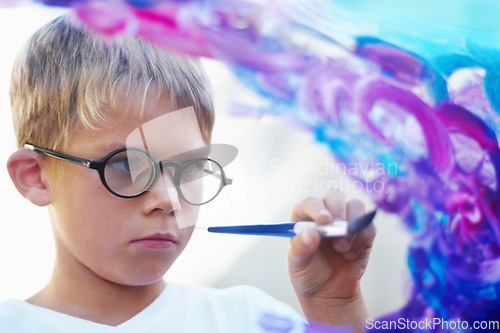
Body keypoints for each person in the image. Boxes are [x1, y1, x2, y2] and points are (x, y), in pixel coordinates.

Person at [1, 14, 376, 333]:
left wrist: (335, 310)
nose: (168, 199)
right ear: (34, 176)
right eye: (126, 165)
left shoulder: (250, 320)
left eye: (191, 167)